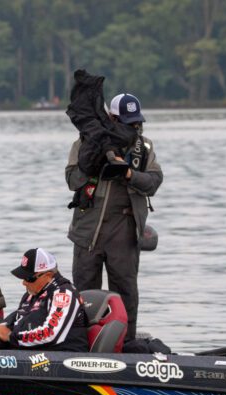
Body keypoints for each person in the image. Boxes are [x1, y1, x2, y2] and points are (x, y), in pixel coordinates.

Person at [65, 93, 163, 343]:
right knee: (85, 292)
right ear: (111, 118)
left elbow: (153, 182)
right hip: (89, 231)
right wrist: (93, 160)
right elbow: (71, 180)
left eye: (136, 122)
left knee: (126, 293)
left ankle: (127, 345)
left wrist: (128, 173)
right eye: (127, 122)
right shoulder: (86, 142)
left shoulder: (145, 147)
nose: (133, 127)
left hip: (125, 230)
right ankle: (81, 344)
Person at [0, 248, 89, 352]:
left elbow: (49, 334)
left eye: (29, 278)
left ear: (48, 275)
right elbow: (16, 321)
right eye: (23, 277)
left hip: (63, 356)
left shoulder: (63, 295)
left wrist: (10, 336)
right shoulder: (31, 294)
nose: (24, 283)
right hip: (33, 352)